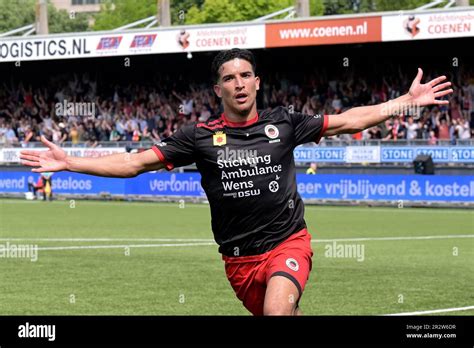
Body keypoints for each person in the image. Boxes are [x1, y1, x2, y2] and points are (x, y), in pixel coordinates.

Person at [19, 48, 453, 316]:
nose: (239, 82)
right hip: (239, 261)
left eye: (246, 75)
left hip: (288, 242)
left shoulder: (284, 122)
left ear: (257, 82)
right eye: (229, 77)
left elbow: (347, 120)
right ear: (218, 89)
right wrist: (71, 162)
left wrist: (404, 103)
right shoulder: (198, 137)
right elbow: (134, 164)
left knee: (279, 310)